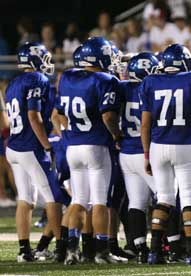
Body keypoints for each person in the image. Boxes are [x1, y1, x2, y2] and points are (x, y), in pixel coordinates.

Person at [140, 44, 191, 265]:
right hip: (185, 144)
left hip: (158, 146)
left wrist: (146, 153)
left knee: (164, 199)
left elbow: (145, 125)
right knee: (189, 199)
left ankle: (154, 252)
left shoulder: (150, 82)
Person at [57, 37, 123, 265]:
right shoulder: (106, 80)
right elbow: (107, 116)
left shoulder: (66, 77)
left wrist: (68, 133)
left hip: (73, 145)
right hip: (95, 145)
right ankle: (101, 251)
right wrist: (117, 135)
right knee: (99, 202)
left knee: (78, 200)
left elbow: (60, 115)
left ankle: (72, 250)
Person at [5, 42, 62, 262]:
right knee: (54, 198)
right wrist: (47, 145)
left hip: (15, 146)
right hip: (30, 147)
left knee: (25, 199)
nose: (48, 63)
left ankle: (24, 250)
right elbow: (33, 116)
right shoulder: (37, 79)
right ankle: (61, 248)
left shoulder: (13, 83)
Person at [118, 52, 159, 264]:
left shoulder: (120, 87)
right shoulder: (151, 88)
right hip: (145, 151)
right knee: (165, 198)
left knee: (136, 202)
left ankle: (140, 248)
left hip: (125, 150)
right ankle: (168, 245)